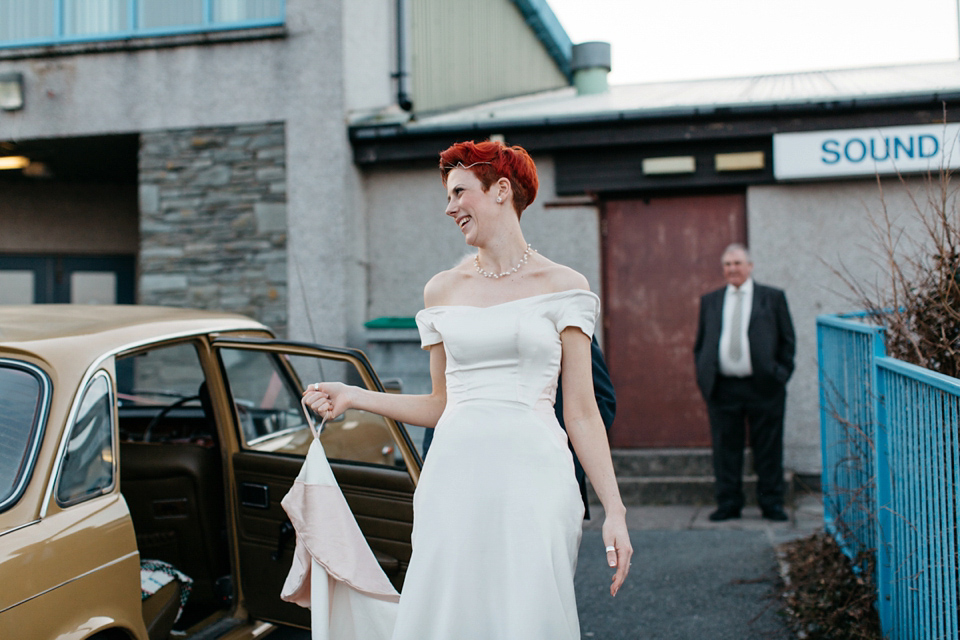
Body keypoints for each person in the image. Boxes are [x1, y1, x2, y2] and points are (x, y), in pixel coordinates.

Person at [303, 139, 632, 639]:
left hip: (536, 478)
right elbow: (440, 404)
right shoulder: (442, 290)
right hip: (453, 478)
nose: (449, 207)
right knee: (450, 613)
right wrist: (354, 395)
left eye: (460, 192)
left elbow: (583, 413)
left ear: (501, 190)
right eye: (448, 195)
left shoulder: (566, 287)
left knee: (528, 611)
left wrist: (615, 509)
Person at [693, 243, 796, 522]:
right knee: (726, 450)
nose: (732, 269)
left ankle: (772, 504)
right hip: (723, 388)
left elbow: (788, 341)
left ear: (749, 266)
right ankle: (728, 504)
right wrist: (704, 377)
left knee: (768, 448)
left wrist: (780, 374)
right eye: (727, 264)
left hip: (764, 387)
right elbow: (701, 344)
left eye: (737, 263)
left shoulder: (772, 298)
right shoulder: (711, 301)